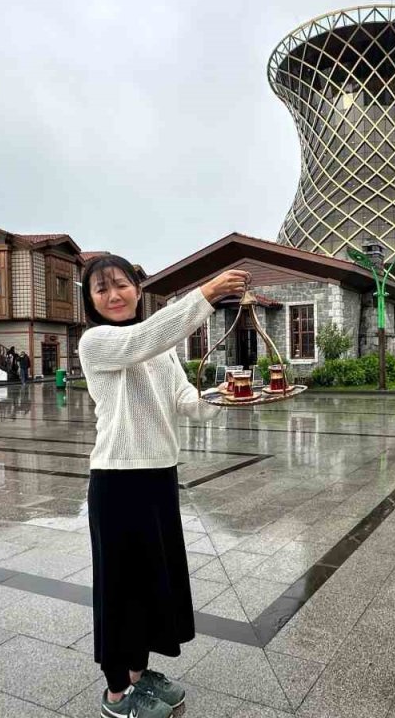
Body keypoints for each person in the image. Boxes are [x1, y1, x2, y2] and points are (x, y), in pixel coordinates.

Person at [78, 255, 249, 718]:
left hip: (158, 476)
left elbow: (184, 401)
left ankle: (138, 672)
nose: (114, 295)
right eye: (101, 290)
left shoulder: (162, 346)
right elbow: (144, 338)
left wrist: (225, 398)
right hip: (116, 482)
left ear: (137, 286)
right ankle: (116, 694)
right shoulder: (96, 342)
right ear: (90, 301)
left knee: (151, 582)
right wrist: (206, 295)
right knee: (119, 586)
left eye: (121, 285)